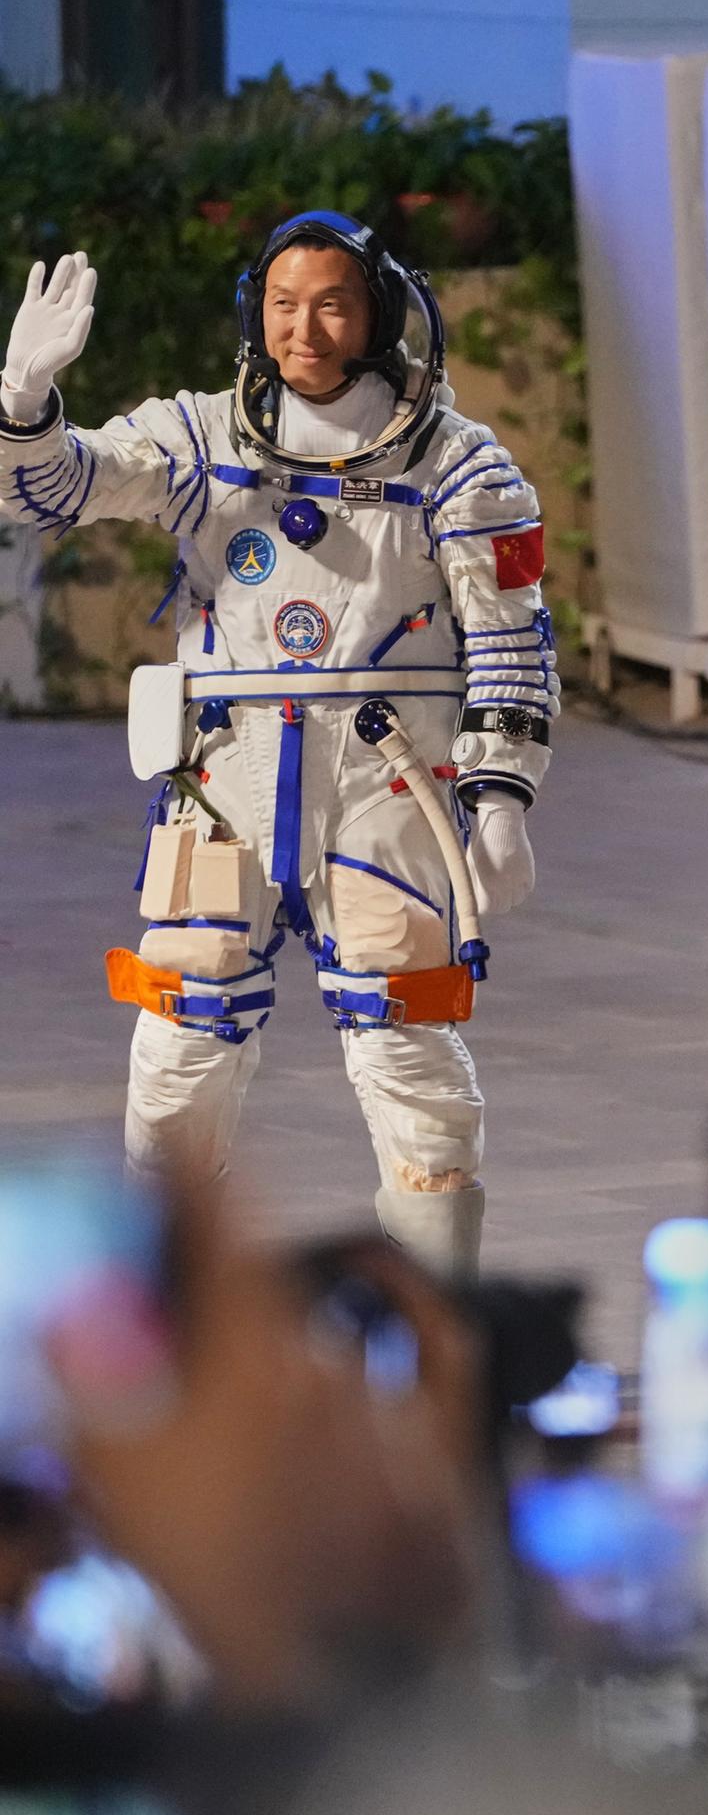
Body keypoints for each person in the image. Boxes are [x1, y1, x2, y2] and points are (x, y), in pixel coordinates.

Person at [0, 216, 559, 1272]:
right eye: (284, 302)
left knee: (407, 1046)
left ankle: (432, 1322)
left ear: (381, 315)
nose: (306, 327)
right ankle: (168, 1320)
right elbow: (54, 489)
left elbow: (511, 644)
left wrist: (501, 799)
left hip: (388, 790)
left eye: (335, 302)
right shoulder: (202, 439)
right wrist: (24, 407)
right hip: (226, 785)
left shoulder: (456, 465)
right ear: (255, 309)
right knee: (178, 1040)